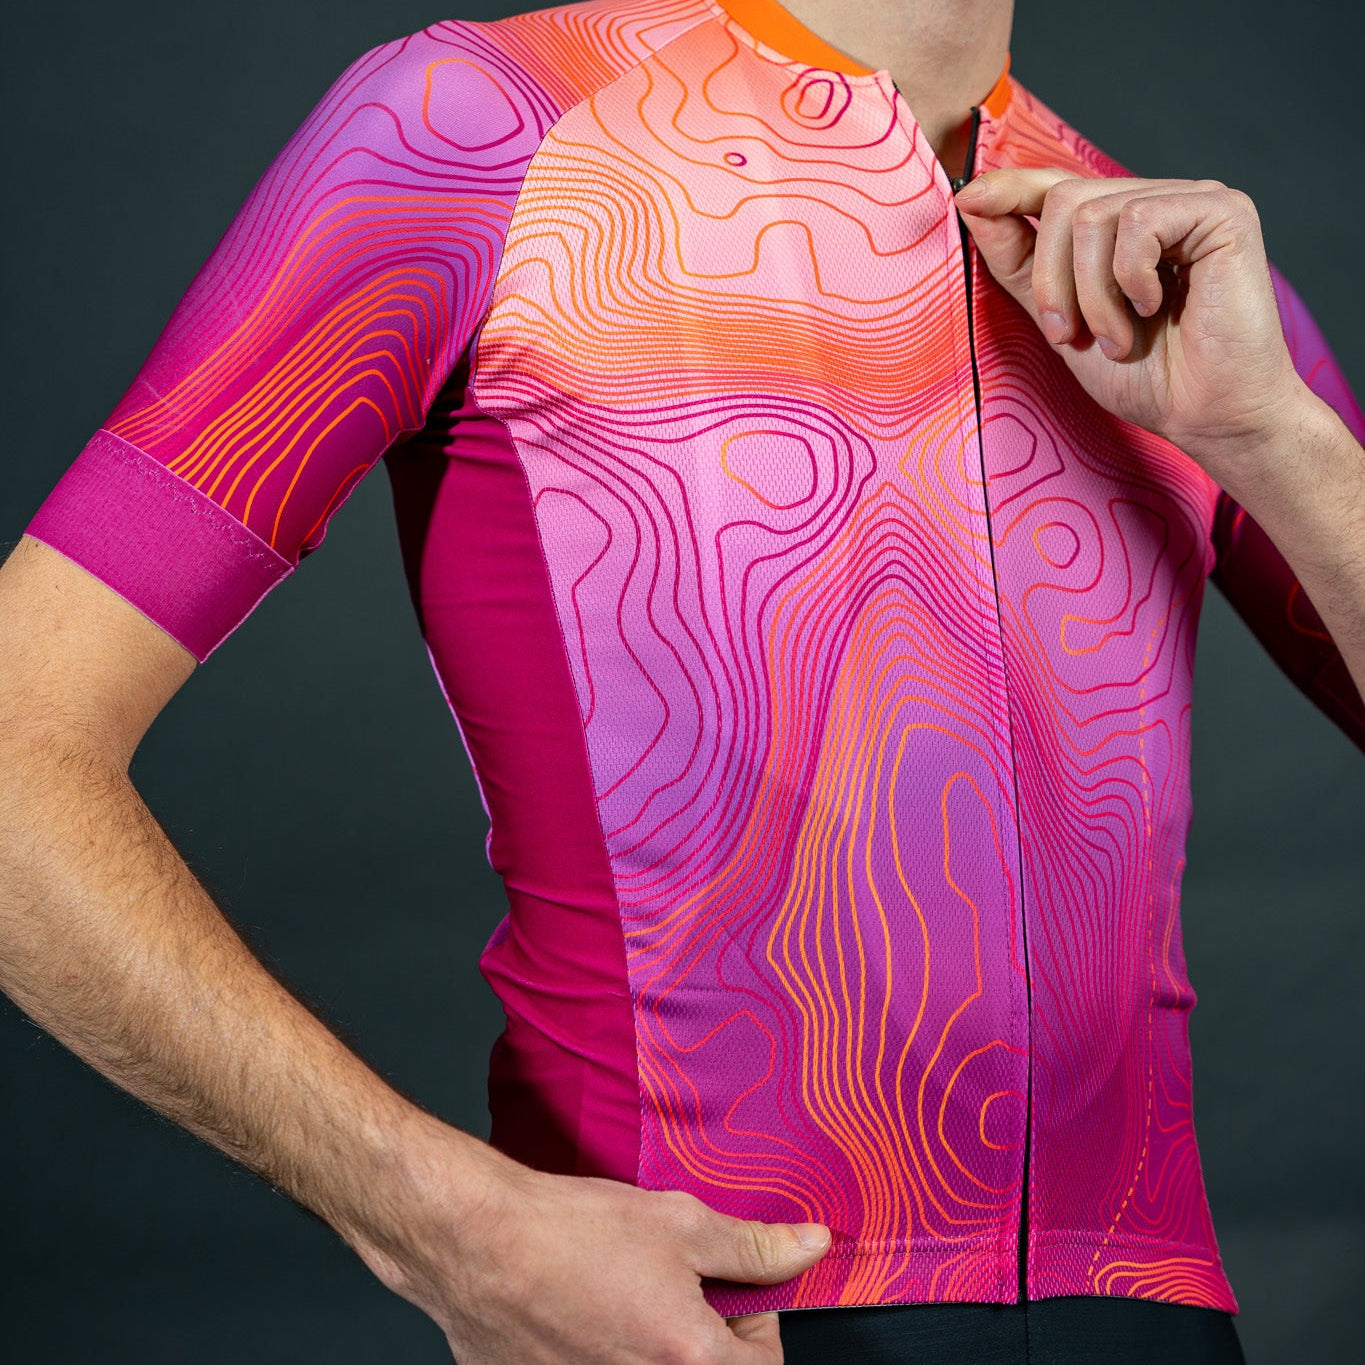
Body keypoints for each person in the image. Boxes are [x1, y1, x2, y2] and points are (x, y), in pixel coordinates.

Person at [2, 0, 1362, 1361]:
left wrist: (1275, 437)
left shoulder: (1170, 270)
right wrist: (446, 1227)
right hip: (698, 1321)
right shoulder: (484, 127)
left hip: (1153, 1316)